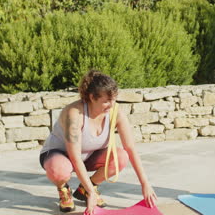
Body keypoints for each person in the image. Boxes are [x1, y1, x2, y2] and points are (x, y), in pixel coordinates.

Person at [39, 69, 157, 214]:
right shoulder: (74, 114)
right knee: (59, 170)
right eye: (106, 101)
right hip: (61, 155)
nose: (112, 105)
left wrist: (145, 183)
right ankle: (64, 188)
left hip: (89, 156)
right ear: (92, 97)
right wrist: (92, 193)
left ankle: (86, 189)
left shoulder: (116, 112)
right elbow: (75, 157)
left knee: (121, 156)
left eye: (114, 99)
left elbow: (130, 147)